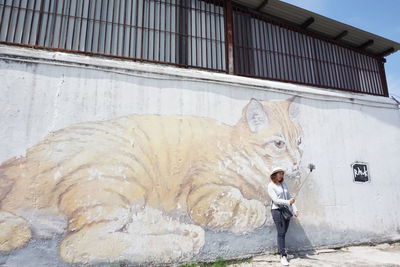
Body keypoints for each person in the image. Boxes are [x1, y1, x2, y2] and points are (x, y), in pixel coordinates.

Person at [267, 167, 299, 266]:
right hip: (276, 210)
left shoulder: (283, 184)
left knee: (283, 233)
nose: (281, 175)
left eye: (282, 174)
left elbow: (289, 197)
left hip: (285, 210)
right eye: (279, 174)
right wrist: (288, 202)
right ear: (274, 175)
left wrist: (295, 209)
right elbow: (276, 200)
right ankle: (283, 255)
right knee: (281, 232)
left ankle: (282, 251)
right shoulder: (271, 186)